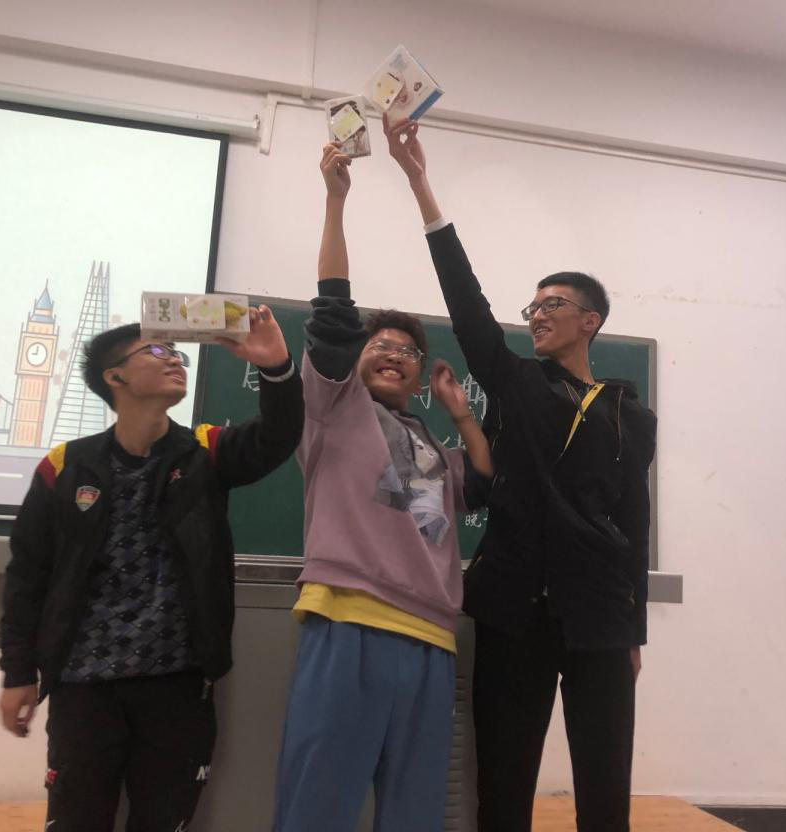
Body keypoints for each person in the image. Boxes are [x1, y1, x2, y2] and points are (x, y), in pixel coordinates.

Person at [385, 115, 658, 832]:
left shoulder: (630, 414)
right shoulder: (516, 383)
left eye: (552, 305)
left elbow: (634, 525)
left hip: (599, 615)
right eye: (531, 307)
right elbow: (468, 307)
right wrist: (421, 185)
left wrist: (634, 628)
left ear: (590, 321)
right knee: (503, 785)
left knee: (606, 785)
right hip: (512, 609)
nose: (536, 316)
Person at [0, 314, 303, 832]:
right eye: (157, 352)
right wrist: (18, 673)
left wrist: (275, 366)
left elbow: (278, 436)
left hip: (177, 686)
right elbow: (28, 577)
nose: (175, 360)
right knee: (76, 821)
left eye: (176, 353)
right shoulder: (64, 467)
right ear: (114, 376)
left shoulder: (204, 452)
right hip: (84, 686)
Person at [271, 143, 493, 832]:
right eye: (381, 346)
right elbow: (333, 320)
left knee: (415, 813)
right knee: (318, 806)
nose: (394, 354)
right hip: (350, 621)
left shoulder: (431, 446)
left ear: (419, 373)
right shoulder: (333, 407)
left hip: (432, 638)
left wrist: (460, 415)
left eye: (407, 351)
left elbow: (484, 484)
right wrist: (336, 200)